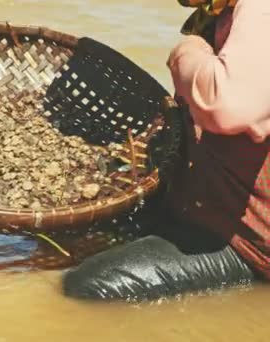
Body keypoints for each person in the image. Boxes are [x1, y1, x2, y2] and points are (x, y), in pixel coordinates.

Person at [61, 0, 270, 301]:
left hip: (250, 241)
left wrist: (188, 51)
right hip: (214, 205)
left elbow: (228, 107)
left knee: (89, 285)